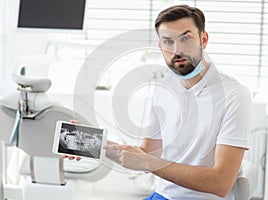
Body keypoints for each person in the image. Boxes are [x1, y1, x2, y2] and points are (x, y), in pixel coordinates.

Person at [66, 4, 252, 200]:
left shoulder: (235, 95)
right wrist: (93, 144)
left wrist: (149, 163)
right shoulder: (163, 88)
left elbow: (221, 183)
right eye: (168, 42)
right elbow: (147, 154)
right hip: (162, 196)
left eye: (186, 39)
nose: (177, 50)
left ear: (203, 40)